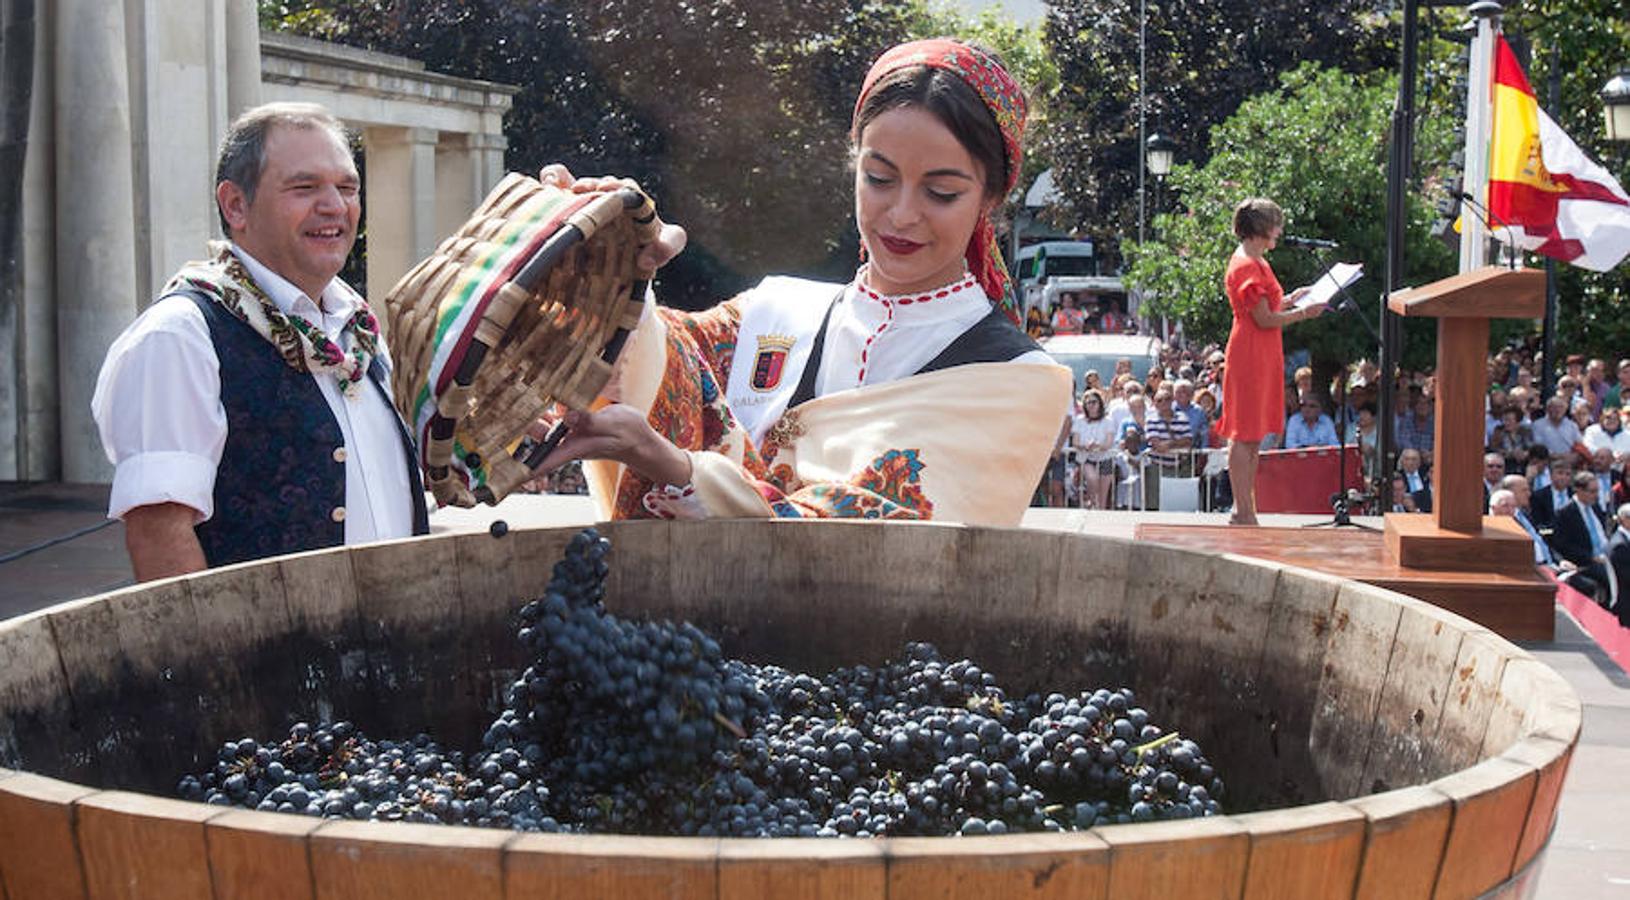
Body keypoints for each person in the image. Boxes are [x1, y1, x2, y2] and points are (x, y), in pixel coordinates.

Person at [535, 40, 1071, 524]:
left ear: (992, 198)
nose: (902, 214)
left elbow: (878, 541)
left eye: (942, 192)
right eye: (879, 179)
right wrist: (613, 272)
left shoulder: (1017, 380)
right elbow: (656, 357)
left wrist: (675, 466)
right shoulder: (775, 311)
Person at [92, 102, 430, 581]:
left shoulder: (358, 333)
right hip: (270, 656)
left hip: (395, 645)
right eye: (305, 187)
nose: (335, 205)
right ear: (236, 205)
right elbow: (160, 538)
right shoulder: (180, 336)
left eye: (347, 187)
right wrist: (223, 658)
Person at [1213, 198, 1324, 525]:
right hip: (1251, 351)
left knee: (1252, 435)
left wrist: (1292, 298)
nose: (1279, 230)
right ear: (1261, 228)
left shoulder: (1257, 260)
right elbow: (1262, 319)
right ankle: (1242, 511)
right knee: (1245, 434)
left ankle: (1246, 508)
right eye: (1276, 224)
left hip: (1259, 350)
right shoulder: (1247, 264)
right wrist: (1303, 313)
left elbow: (1267, 305)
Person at [1070, 389, 1117, 510]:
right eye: (1088, 402)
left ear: (1100, 403)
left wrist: (1097, 446)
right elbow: (1075, 441)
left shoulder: (1108, 421)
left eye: (1094, 402)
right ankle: (1090, 502)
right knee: (1092, 478)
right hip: (1086, 458)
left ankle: (1099, 518)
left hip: (1105, 458)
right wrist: (1085, 446)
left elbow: (1108, 442)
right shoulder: (1080, 420)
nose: (1091, 405)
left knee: (1103, 496)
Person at [1398, 447, 1432, 513]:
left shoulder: (1426, 475)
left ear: (1419, 462)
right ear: (1402, 462)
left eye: (1414, 459)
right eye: (1407, 459)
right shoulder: (1398, 477)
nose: (1410, 462)